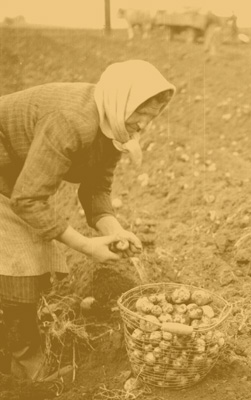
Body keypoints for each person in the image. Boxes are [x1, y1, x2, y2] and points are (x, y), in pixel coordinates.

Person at [0, 60, 175, 380]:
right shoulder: (72, 120)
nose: (144, 126)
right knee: (19, 262)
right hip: (4, 167)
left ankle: (18, 343)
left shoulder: (114, 123)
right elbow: (27, 199)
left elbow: (95, 189)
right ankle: (24, 371)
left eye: (151, 119)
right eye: (141, 117)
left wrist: (115, 229)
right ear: (123, 101)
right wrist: (85, 246)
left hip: (15, 172)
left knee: (32, 250)